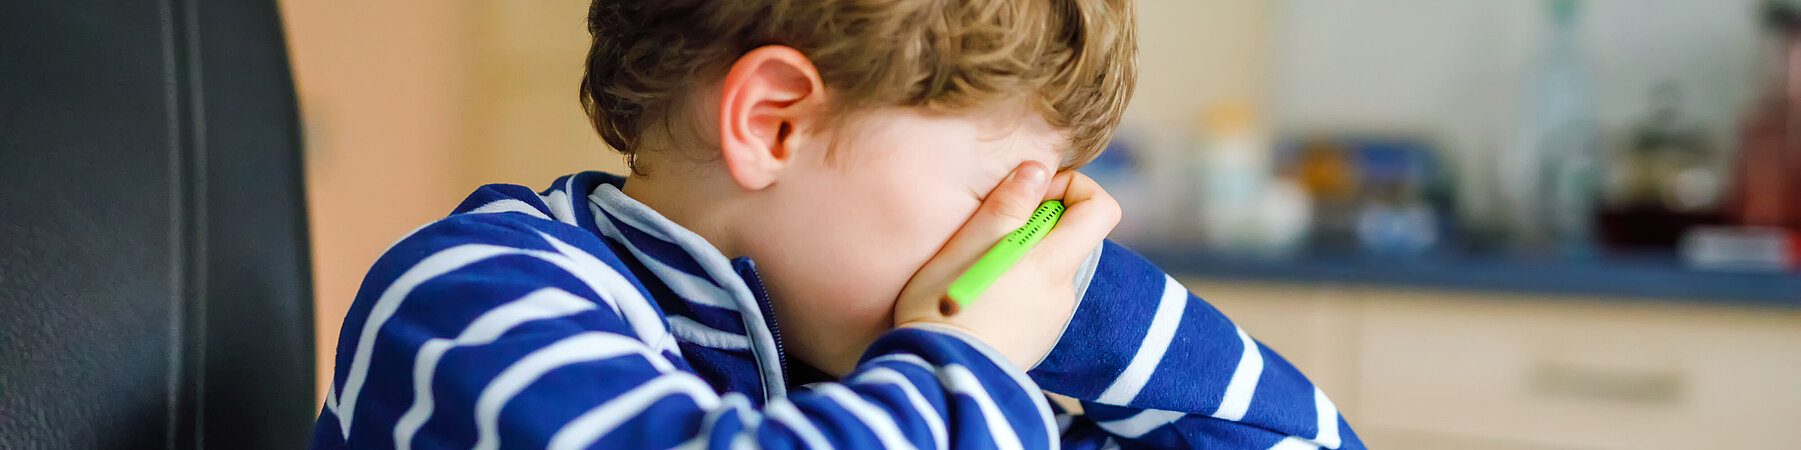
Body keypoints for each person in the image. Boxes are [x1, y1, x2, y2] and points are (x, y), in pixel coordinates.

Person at [312, 0, 1363, 448]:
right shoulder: (470, 301)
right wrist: (967, 363)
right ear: (774, 123)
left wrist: (1085, 301)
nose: (1012, 243)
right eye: (991, 196)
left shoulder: (889, 379)